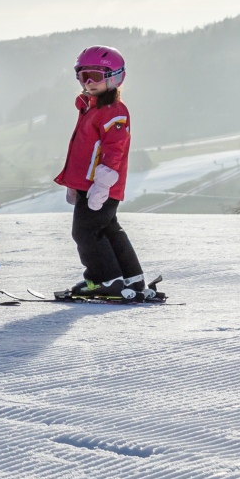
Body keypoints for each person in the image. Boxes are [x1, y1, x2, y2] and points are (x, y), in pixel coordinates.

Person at [55, 46, 160, 301]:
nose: (89, 83)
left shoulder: (114, 111)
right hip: (89, 186)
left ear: (114, 78)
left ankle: (103, 280)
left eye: (96, 76)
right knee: (108, 229)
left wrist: (102, 185)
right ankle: (130, 278)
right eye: (83, 76)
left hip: (101, 187)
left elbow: (115, 148)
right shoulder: (91, 107)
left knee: (85, 232)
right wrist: (75, 184)